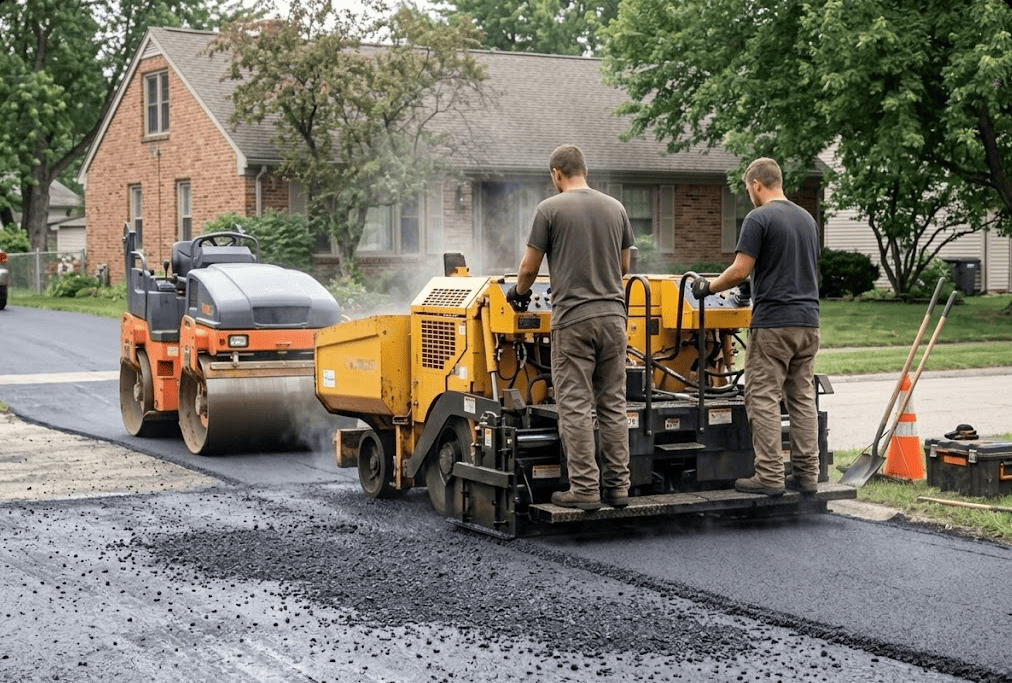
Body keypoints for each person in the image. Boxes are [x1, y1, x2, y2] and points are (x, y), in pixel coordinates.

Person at [507, 144, 635, 510]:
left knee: (576, 406)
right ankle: (618, 488)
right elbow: (624, 266)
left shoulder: (549, 209)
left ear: (556, 174)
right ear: (585, 169)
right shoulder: (616, 208)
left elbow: (529, 269)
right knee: (612, 404)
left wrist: (518, 293)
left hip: (574, 321)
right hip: (614, 318)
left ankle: (584, 490)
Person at [690, 157, 821, 497]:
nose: (749, 193)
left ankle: (769, 476)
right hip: (808, 322)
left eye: (748, 188)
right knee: (802, 398)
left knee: (760, 396)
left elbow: (739, 269)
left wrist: (708, 288)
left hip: (774, 323)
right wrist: (751, 288)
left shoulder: (758, 217)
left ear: (757, 185)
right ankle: (808, 474)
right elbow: (789, 264)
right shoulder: (806, 218)